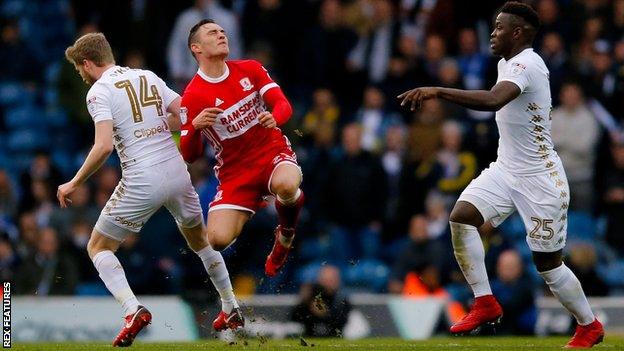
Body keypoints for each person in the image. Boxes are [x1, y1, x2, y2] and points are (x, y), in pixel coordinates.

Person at [398, 2, 604, 348]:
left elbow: (494, 101)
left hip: (541, 180)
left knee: (549, 267)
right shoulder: (506, 62)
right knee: (461, 217)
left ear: (518, 33)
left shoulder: (527, 64)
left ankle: (589, 325)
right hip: (507, 169)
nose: (492, 34)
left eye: (499, 28)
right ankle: (484, 302)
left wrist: (438, 90)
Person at [57, 33, 242, 347]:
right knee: (200, 241)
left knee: (98, 247)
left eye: (80, 69)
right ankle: (231, 306)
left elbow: (102, 146)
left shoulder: (98, 92)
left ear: (88, 63)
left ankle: (133, 310)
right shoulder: (146, 76)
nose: (82, 75)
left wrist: (74, 182)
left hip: (143, 178)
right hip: (177, 172)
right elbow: (183, 113)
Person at [179, 19, 304, 278]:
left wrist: (275, 118)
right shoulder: (192, 96)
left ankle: (286, 234)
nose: (221, 35)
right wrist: (195, 127)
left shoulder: (250, 68)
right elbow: (189, 155)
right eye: (212, 33)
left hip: (271, 152)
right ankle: (253, 204)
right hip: (236, 173)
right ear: (196, 48)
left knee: (288, 184)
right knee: (217, 240)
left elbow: (282, 104)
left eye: (223, 31)